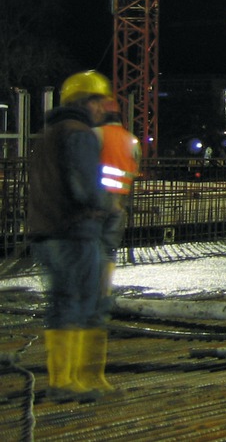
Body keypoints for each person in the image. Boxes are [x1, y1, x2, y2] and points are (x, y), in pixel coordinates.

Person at [27, 70, 116, 401]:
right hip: (76, 231)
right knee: (85, 301)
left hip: (45, 232)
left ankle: (62, 378)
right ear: (87, 103)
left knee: (62, 303)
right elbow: (86, 185)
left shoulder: (48, 133)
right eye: (99, 102)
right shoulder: (80, 134)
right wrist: (103, 203)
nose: (103, 109)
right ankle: (80, 380)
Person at [96, 100, 140, 302]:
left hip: (96, 200)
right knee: (109, 249)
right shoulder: (131, 140)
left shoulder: (95, 134)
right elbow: (134, 169)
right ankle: (104, 292)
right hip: (119, 203)